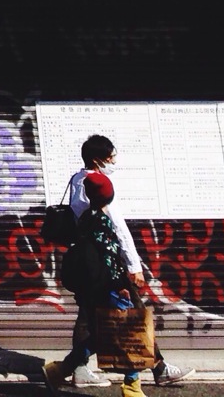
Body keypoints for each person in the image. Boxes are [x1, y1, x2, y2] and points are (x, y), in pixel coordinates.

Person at [45, 136, 185, 390]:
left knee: (90, 318)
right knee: (131, 314)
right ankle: (152, 371)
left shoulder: (77, 180)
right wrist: (133, 267)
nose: (114, 162)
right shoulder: (98, 188)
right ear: (98, 160)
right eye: (111, 157)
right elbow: (119, 230)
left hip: (83, 264)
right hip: (103, 269)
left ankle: (70, 369)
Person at [59, 172, 152, 397]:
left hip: (90, 285)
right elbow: (109, 258)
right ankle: (132, 387)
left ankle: (59, 370)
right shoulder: (102, 221)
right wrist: (120, 285)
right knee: (126, 332)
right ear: (110, 196)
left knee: (101, 335)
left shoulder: (85, 219)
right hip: (105, 287)